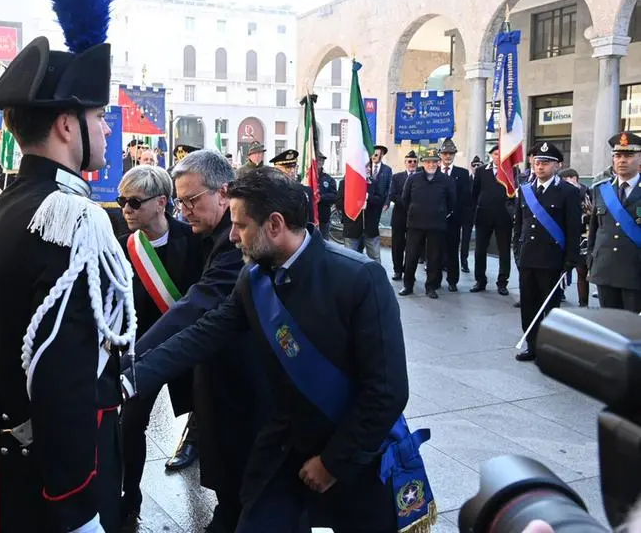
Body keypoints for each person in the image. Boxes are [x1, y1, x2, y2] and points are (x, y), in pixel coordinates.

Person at [120, 167, 435, 533]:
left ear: (274, 224)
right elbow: (205, 332)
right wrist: (129, 378)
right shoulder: (254, 278)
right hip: (283, 448)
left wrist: (332, 462)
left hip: (355, 450)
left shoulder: (359, 278)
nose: (233, 236)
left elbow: (387, 391)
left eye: (240, 226)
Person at [0, 0, 135, 528]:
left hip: (21, 467)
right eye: (97, 119)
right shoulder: (74, 219)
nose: (105, 129)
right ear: (67, 124)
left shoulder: (7, 205)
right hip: (64, 482)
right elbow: (65, 375)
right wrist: (78, 505)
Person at [124, 149, 271, 533]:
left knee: (243, 480)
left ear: (223, 193)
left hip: (243, 378)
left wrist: (134, 360)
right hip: (212, 369)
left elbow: (196, 304)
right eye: (179, 201)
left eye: (191, 200)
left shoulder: (233, 240)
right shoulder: (206, 232)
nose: (183, 209)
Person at [114, 165, 204, 526]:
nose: (126, 209)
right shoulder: (125, 247)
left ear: (162, 203)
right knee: (130, 423)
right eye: (123, 201)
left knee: (209, 417)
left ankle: (220, 495)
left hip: (187, 348)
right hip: (144, 353)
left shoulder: (194, 239)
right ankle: (129, 494)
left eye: (135, 202)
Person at [513, 143, 581, 362]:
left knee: (550, 307)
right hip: (528, 257)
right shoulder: (526, 189)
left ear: (557, 165)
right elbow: (519, 224)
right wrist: (517, 251)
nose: (540, 167)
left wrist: (570, 259)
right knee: (529, 304)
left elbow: (573, 228)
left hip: (552, 259)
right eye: (537, 162)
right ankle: (532, 344)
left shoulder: (568, 192)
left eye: (545, 163)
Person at [587, 132, 641, 313]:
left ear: (639, 158)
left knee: (633, 330)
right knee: (609, 328)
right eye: (618, 156)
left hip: (635, 272)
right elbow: (594, 231)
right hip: (605, 270)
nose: (622, 160)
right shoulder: (601, 190)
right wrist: (591, 263)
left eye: (628, 155)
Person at [399, 149, 454, 299]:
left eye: (434, 161)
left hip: (436, 224)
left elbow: (452, 201)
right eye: (428, 161)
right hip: (415, 224)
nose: (431, 164)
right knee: (411, 256)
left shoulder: (446, 180)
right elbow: (405, 199)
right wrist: (414, 210)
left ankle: (431, 286)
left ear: (438, 162)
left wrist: (441, 212)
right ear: (423, 163)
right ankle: (408, 285)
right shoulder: (413, 179)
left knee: (434, 257)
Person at [471, 145, 516, 296]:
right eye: (496, 154)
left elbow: (515, 193)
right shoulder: (481, 171)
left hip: (504, 217)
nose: (498, 157)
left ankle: (502, 282)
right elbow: (475, 192)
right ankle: (480, 280)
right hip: (484, 215)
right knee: (480, 249)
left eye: (501, 154)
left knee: (504, 250)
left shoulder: (512, 171)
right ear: (491, 155)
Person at [438, 138, 471, 292]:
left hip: (454, 220)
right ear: (440, 154)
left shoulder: (463, 174)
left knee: (452, 252)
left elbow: (465, 198)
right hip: (436, 219)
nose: (447, 156)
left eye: (450, 153)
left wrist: (456, 215)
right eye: (445, 153)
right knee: (435, 251)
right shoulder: (434, 171)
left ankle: (452, 281)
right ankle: (435, 280)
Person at [559, 168, 592, 307]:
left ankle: (583, 303)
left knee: (582, 272)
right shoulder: (562, 192)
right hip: (566, 236)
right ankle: (559, 293)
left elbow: (591, 212)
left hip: (583, 237)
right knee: (562, 269)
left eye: (567, 180)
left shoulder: (586, 192)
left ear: (574, 178)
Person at [389, 150, 418, 280]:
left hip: (416, 217)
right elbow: (392, 194)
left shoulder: (421, 177)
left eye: (414, 161)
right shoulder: (397, 177)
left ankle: (409, 270)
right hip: (400, 215)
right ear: (405, 163)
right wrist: (407, 204)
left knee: (413, 246)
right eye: (409, 161)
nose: (412, 164)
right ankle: (397, 270)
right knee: (397, 245)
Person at [269, 149, 315, 225]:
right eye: (288, 167)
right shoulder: (270, 191)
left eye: (294, 167)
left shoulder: (305, 191)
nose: (292, 171)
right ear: (277, 169)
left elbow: (310, 221)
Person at [363, 145, 392, 263]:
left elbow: (389, 187)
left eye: (377, 154)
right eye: (373, 153)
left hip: (379, 203)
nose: (374, 156)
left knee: (373, 227)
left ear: (382, 155)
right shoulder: (365, 167)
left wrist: (387, 202)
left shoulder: (387, 169)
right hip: (366, 203)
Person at [460, 155, 484, 273]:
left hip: (481, 214)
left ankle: (479, 266)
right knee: (465, 239)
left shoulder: (485, 180)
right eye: (473, 165)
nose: (475, 167)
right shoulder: (467, 180)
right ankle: (464, 262)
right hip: (467, 214)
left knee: (481, 242)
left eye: (478, 165)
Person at [315, 152, 338, 238]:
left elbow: (335, 196)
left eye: (322, 160)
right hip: (309, 218)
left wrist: (321, 197)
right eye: (318, 160)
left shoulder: (328, 179)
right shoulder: (306, 178)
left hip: (323, 216)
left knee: (324, 241)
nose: (320, 162)